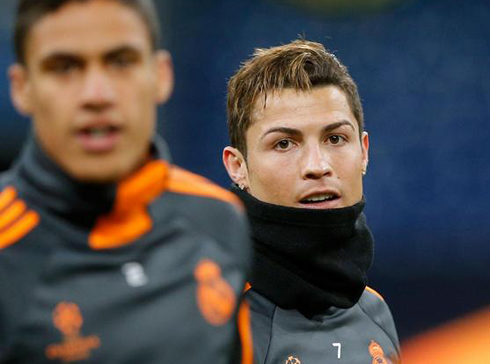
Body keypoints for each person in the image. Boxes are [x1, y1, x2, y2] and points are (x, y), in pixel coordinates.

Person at [0, 0, 252, 363]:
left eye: (121, 62)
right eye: (65, 67)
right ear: (22, 88)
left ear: (162, 75)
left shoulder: (219, 220)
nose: (97, 95)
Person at [222, 39, 401, 363]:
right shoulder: (209, 319)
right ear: (238, 167)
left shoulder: (376, 313)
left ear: (363, 151)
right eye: (284, 144)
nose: (317, 166)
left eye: (335, 138)